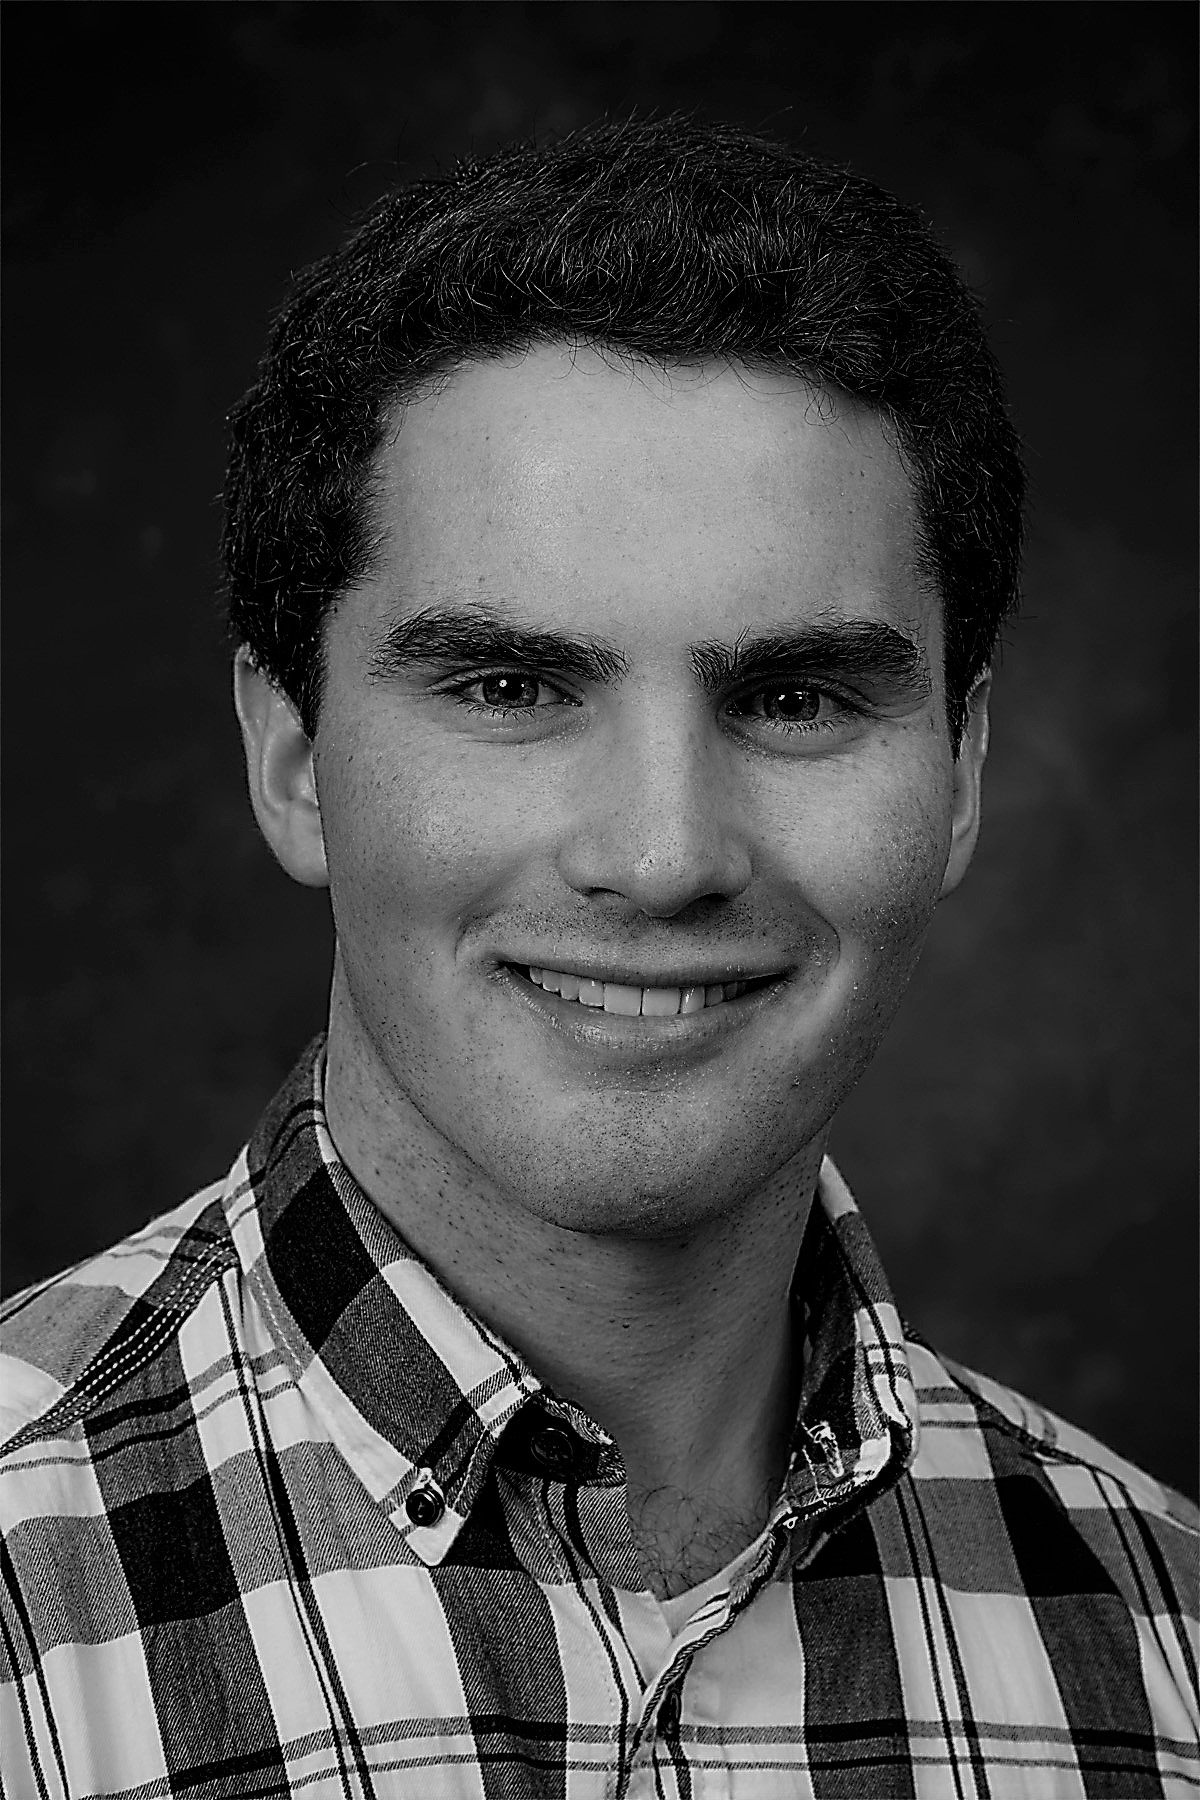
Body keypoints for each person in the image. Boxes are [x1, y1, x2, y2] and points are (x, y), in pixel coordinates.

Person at [1, 114, 1196, 1800]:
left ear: (963, 774)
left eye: (796, 697)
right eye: (510, 688)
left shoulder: (1167, 1644)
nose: (660, 854)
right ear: (292, 757)